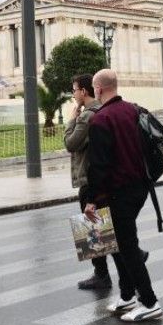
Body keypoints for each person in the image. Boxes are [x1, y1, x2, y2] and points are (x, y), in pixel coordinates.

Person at [83, 69, 163, 322]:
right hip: (140, 188)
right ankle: (127, 296)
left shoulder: (101, 120)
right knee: (118, 244)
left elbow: (98, 165)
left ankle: (149, 301)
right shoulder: (134, 110)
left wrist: (91, 199)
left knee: (127, 247)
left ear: (98, 89)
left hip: (117, 192)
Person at [65, 73, 111, 290]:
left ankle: (101, 274)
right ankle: (104, 271)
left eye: (74, 90)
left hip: (88, 177)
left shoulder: (86, 116)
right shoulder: (103, 110)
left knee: (93, 226)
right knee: (102, 225)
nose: (73, 94)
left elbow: (71, 143)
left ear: (84, 91)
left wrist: (72, 119)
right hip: (104, 176)